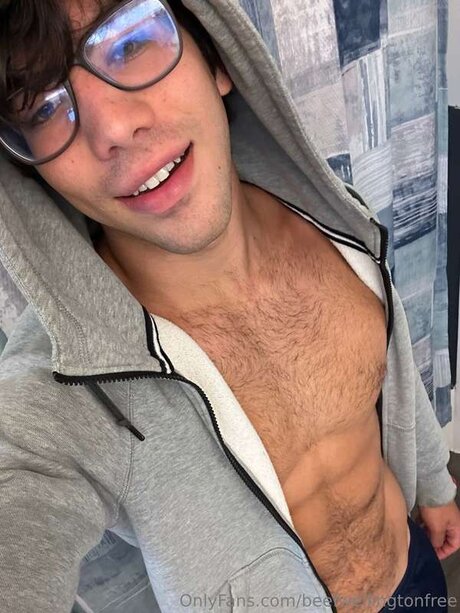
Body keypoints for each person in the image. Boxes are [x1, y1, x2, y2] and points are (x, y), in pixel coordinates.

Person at [0, 0, 459, 611]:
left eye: (129, 43)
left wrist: (433, 484)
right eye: (40, 108)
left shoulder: (338, 226)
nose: (113, 129)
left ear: (216, 57)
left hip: (410, 569)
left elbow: (393, 375)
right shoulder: (62, 392)